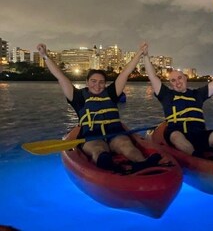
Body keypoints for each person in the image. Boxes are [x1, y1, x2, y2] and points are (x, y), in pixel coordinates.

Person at [37, 42, 161, 173]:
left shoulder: (112, 93)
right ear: (87, 82)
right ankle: (109, 166)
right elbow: (60, 76)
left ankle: (142, 164)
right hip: (92, 137)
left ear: (105, 84)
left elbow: (126, 73)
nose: (97, 85)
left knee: (126, 145)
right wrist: (45, 56)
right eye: (93, 81)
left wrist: (140, 53)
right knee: (98, 149)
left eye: (101, 82)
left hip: (115, 134)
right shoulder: (78, 97)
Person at [143, 43, 213, 159]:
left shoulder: (197, 95)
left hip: (199, 135)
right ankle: (197, 158)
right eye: (173, 80)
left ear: (185, 78)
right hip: (178, 135)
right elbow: (153, 77)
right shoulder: (166, 95)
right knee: (176, 136)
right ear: (171, 84)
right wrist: (146, 56)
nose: (177, 82)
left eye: (179, 78)